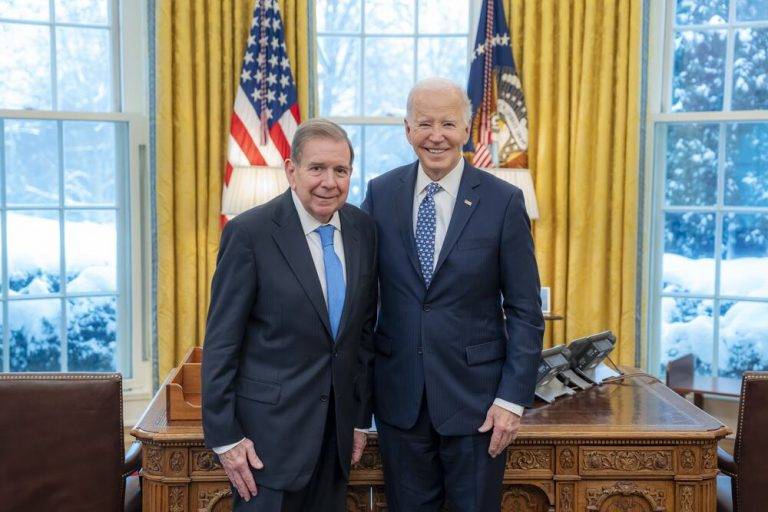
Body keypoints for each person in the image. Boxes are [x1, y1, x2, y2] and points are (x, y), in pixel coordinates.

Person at [361, 77, 544, 511]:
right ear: (408, 130)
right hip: (399, 404)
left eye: (448, 123)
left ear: (467, 130)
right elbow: (362, 303)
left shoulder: (503, 201)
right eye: (425, 123)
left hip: (479, 406)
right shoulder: (380, 194)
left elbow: (525, 311)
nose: (436, 135)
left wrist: (511, 399)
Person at [201, 119, 377, 512]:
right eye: (317, 168)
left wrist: (359, 418)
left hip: (335, 442)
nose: (329, 182)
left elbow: (363, 334)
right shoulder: (250, 234)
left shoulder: (363, 230)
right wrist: (226, 439)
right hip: (265, 446)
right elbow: (221, 343)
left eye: (341, 170)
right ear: (291, 169)